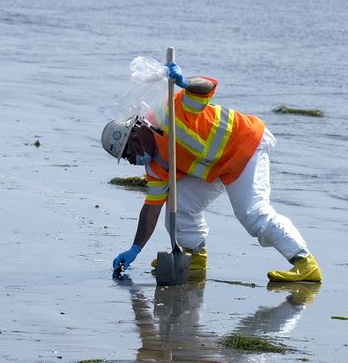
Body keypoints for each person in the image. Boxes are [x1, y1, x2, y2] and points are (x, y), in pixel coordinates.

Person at [100, 61, 322, 283]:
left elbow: (206, 86)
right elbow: (150, 211)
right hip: (215, 166)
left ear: (135, 135)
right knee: (179, 206)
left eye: (128, 154)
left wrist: (185, 83)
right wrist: (135, 249)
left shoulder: (172, 111)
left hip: (246, 146)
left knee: (253, 215)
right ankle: (196, 258)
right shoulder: (156, 166)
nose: (131, 161)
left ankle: (304, 262)